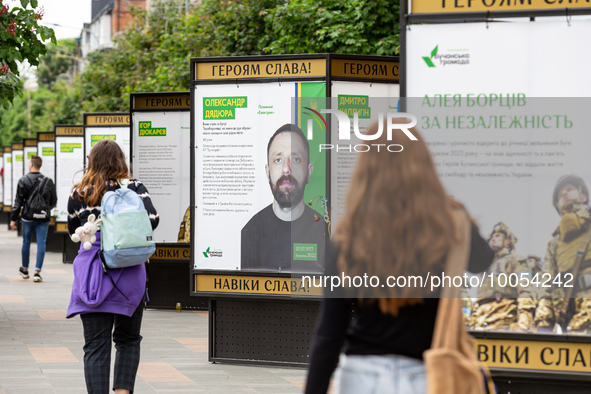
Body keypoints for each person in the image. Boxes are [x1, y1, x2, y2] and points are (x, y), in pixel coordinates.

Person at [305, 119, 494, 394]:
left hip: (360, 376)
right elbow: (482, 260)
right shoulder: (445, 229)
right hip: (425, 376)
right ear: (423, 166)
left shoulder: (349, 238)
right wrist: (449, 207)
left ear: (366, 169)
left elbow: (329, 334)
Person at [65, 139, 159, 394]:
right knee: (128, 340)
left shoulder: (80, 192)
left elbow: (73, 229)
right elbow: (153, 221)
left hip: (94, 272)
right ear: (122, 161)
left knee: (95, 345)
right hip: (130, 272)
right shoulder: (136, 187)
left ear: (91, 161)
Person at [241, 123, 327, 273]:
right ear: (268, 172)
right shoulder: (250, 232)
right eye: (278, 160)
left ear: (309, 171)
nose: (286, 169)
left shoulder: (325, 231)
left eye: (295, 159)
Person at [536, 175, 591, 333]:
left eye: (570, 189)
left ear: (584, 196)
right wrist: (543, 325)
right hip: (574, 324)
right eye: (560, 195)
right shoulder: (555, 243)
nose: (564, 194)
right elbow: (546, 285)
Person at [470, 222, 535, 331]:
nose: (493, 239)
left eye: (498, 236)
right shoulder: (487, 267)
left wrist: (524, 323)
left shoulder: (516, 260)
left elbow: (526, 291)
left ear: (507, 241)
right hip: (482, 325)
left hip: (505, 323)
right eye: (492, 237)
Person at [10, 155, 57, 282]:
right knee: (41, 243)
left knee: (26, 242)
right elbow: (54, 201)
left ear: (31, 164)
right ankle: (37, 272)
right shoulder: (48, 181)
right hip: (43, 217)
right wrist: (44, 209)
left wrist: (13, 218)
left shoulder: (23, 180)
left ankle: (25, 270)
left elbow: (18, 202)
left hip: (27, 217)